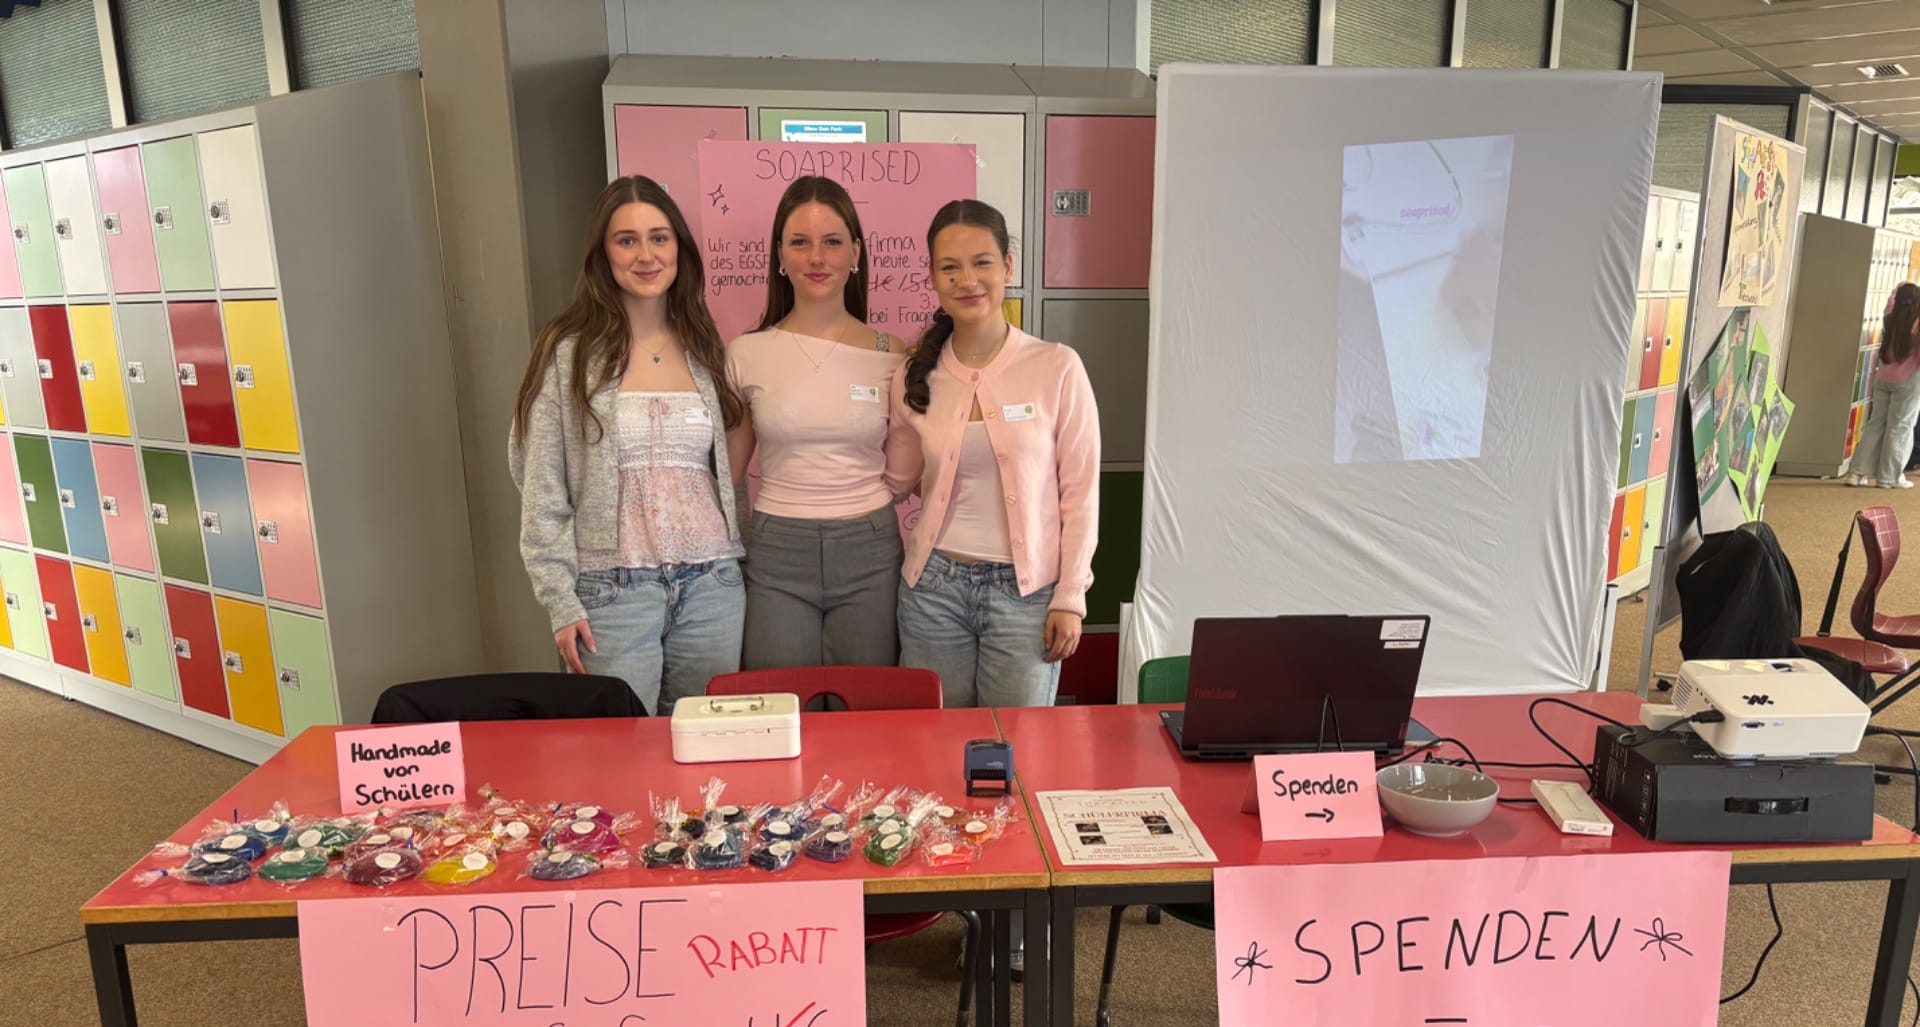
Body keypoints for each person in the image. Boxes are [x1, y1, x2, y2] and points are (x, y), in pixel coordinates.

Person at [509, 175, 748, 713]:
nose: (646, 255)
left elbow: (725, 478)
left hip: (712, 585)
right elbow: (540, 487)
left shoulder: (706, 348)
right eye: (627, 240)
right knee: (617, 746)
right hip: (611, 592)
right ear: (603, 253)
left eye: (659, 238)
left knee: (703, 746)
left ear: (679, 249)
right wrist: (559, 599)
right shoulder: (569, 353)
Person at [886, 199, 1100, 708]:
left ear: (1007, 266)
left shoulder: (1056, 367)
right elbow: (900, 479)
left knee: (1016, 744)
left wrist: (1071, 595)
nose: (967, 280)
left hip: (1027, 597)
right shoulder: (913, 376)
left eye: (981, 262)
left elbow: (1081, 494)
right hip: (933, 590)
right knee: (933, 743)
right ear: (933, 277)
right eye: (949, 268)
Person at [726, 176, 908, 668]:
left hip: (870, 549)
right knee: (779, 702)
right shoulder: (745, 353)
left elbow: (909, 468)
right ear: (779, 256)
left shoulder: (892, 353)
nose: (817, 258)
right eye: (800, 243)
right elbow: (728, 475)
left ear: (856, 253)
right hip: (777, 551)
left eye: (832, 242)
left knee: (867, 707)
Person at [1850, 282, 1920, 489]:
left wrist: (1897, 291)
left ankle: (1857, 473)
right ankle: (1889, 477)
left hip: (1883, 378)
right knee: (1900, 428)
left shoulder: (1890, 317)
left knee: (1875, 424)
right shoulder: (1916, 324)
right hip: (1908, 381)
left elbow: (1890, 302)